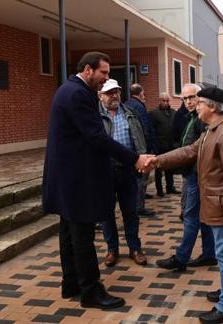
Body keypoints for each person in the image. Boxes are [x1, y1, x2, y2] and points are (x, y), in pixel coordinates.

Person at [42, 52, 149, 310]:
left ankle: (72, 285)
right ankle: (91, 291)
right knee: (82, 237)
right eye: (103, 73)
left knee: (68, 235)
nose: (106, 78)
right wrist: (134, 158)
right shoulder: (78, 94)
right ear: (88, 70)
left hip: (67, 178)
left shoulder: (68, 89)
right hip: (76, 179)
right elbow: (97, 137)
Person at [145, 87, 223, 323]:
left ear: (212, 107)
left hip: (222, 205)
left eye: (199, 102)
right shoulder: (213, 129)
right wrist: (157, 160)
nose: (195, 105)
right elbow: (190, 151)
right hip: (215, 202)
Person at [156, 83, 216, 272]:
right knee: (202, 217)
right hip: (193, 174)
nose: (189, 102)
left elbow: (195, 150)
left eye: (192, 97)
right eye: (185, 98)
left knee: (190, 216)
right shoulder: (193, 116)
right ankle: (209, 254)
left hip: (197, 176)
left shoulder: (203, 120)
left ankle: (181, 258)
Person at [98, 79, 148, 267]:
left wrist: (142, 161)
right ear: (100, 96)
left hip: (127, 170)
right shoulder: (95, 117)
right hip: (104, 171)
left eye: (117, 92)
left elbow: (140, 139)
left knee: (131, 212)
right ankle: (112, 249)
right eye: (110, 92)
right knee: (106, 213)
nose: (114, 96)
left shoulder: (130, 114)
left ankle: (135, 248)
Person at [125, 83, 156, 217]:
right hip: (141, 149)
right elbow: (145, 128)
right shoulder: (139, 107)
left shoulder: (125, 105)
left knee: (134, 181)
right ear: (141, 93)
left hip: (130, 148)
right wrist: (149, 148)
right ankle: (139, 207)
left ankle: (133, 205)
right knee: (141, 179)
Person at [150, 93, 180, 197]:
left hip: (171, 146)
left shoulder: (173, 112)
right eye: (164, 100)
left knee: (170, 168)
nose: (166, 103)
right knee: (159, 170)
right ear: (159, 101)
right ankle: (159, 190)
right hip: (160, 146)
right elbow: (151, 130)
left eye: (167, 101)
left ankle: (170, 187)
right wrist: (154, 146)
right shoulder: (154, 113)